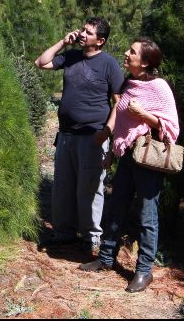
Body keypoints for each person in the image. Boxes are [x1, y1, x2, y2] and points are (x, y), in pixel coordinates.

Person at [79, 37, 180, 293]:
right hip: (127, 157)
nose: (126, 53)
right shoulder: (129, 83)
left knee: (148, 217)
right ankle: (105, 258)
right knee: (116, 208)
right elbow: (122, 121)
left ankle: (144, 272)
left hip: (147, 160)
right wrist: (113, 152)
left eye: (132, 52)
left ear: (145, 62)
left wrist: (144, 115)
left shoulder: (159, 87)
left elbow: (171, 126)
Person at [34, 17, 125, 254]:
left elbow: (119, 103)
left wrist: (107, 133)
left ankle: (91, 237)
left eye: (89, 32)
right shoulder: (72, 56)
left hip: (93, 136)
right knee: (62, 186)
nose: (83, 34)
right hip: (66, 135)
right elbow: (41, 63)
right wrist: (63, 43)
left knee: (90, 188)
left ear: (101, 41)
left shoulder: (109, 65)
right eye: (83, 30)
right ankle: (63, 233)